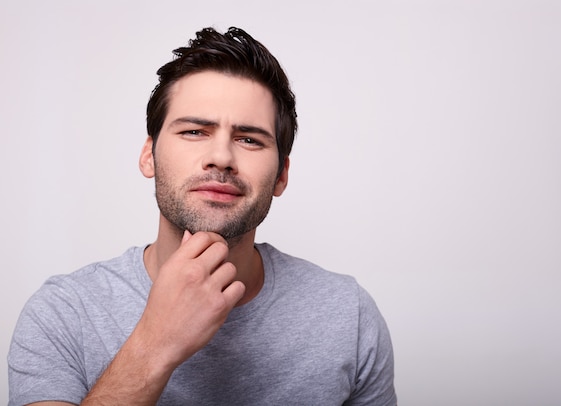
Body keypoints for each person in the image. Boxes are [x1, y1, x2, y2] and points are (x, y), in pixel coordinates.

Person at [8, 26, 396, 405]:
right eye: (195, 131)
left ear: (281, 175)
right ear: (149, 156)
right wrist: (155, 343)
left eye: (249, 139)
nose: (222, 157)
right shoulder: (63, 314)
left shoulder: (349, 315)